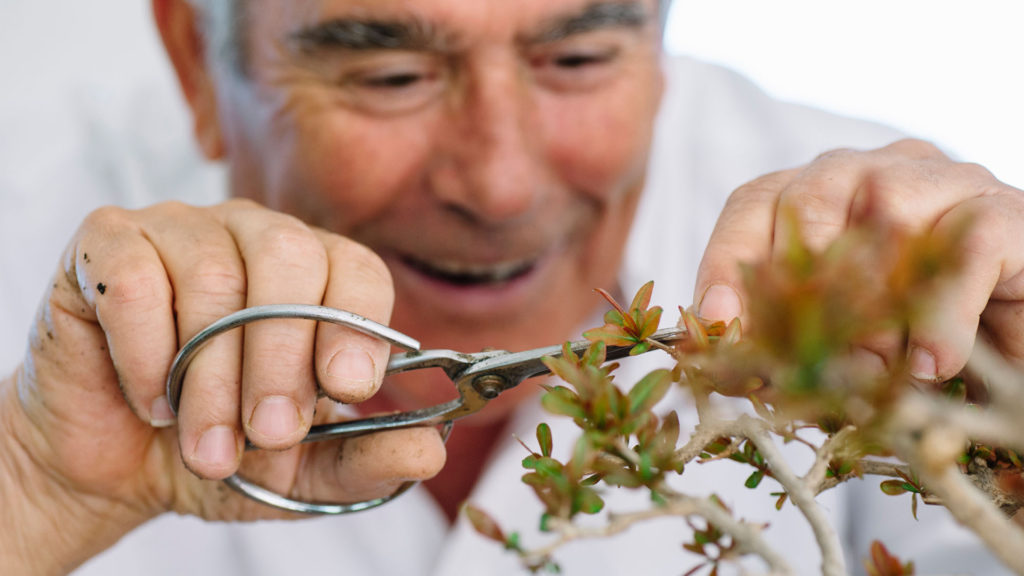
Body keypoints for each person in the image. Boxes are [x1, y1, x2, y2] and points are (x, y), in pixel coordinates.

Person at [1, 0, 1022, 574]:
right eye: (389, 77)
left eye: (576, 57)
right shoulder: (35, 258)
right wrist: (37, 494)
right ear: (193, 59)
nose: (499, 184)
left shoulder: (892, 264)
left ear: (661, 48)